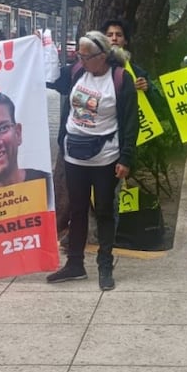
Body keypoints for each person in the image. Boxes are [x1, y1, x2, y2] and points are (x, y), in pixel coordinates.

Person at [47, 30, 138, 291]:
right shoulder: (77, 72)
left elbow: (131, 122)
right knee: (77, 210)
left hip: (105, 157)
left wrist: (126, 158)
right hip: (74, 155)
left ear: (102, 56)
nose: (80, 60)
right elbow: (53, 82)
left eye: (85, 56)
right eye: (79, 55)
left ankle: (105, 265)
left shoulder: (120, 79)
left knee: (104, 211)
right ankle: (75, 263)